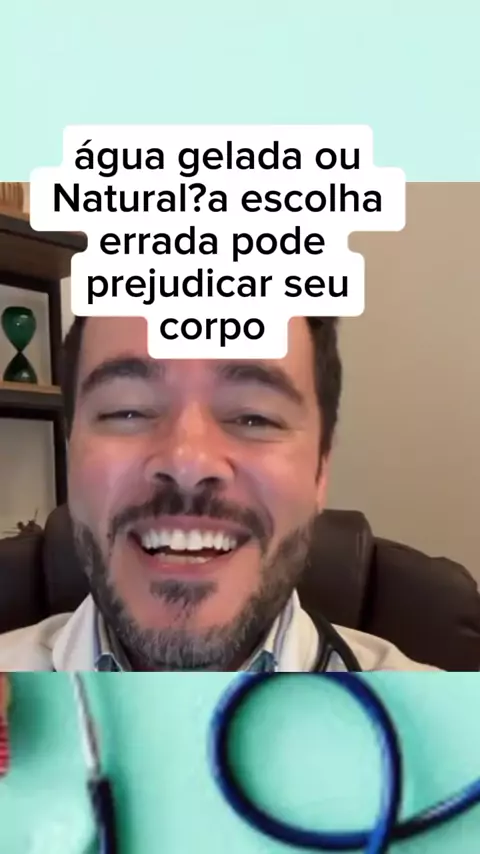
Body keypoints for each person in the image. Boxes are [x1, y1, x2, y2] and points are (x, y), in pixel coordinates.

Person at [0, 316, 436, 672]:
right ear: (71, 452)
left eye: (254, 418)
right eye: (127, 411)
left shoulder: (446, 738)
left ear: (321, 469)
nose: (187, 463)